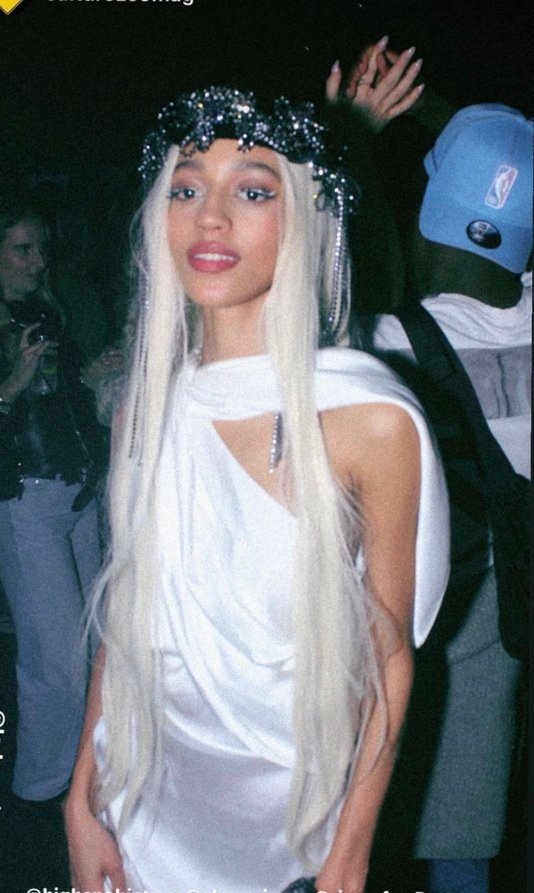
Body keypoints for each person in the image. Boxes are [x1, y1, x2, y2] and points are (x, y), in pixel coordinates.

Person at [64, 86, 450, 893]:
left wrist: (350, 853)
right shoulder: (145, 408)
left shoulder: (367, 419)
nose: (209, 217)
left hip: (293, 827)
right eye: (186, 188)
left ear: (305, 216)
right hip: (144, 809)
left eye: (252, 190)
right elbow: (128, 615)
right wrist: (80, 798)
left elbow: (388, 658)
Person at [363, 104, 532, 893]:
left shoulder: (389, 346)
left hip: (414, 632)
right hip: (501, 637)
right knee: (464, 845)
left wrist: (353, 139)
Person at [0, 195, 106, 808]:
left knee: (95, 645)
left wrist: (95, 376)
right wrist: (12, 382)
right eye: (23, 249)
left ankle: (85, 779)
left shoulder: (47, 312)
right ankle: (39, 793)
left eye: (42, 248)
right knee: (55, 664)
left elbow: (69, 403)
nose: (40, 261)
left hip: (79, 495)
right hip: (26, 502)